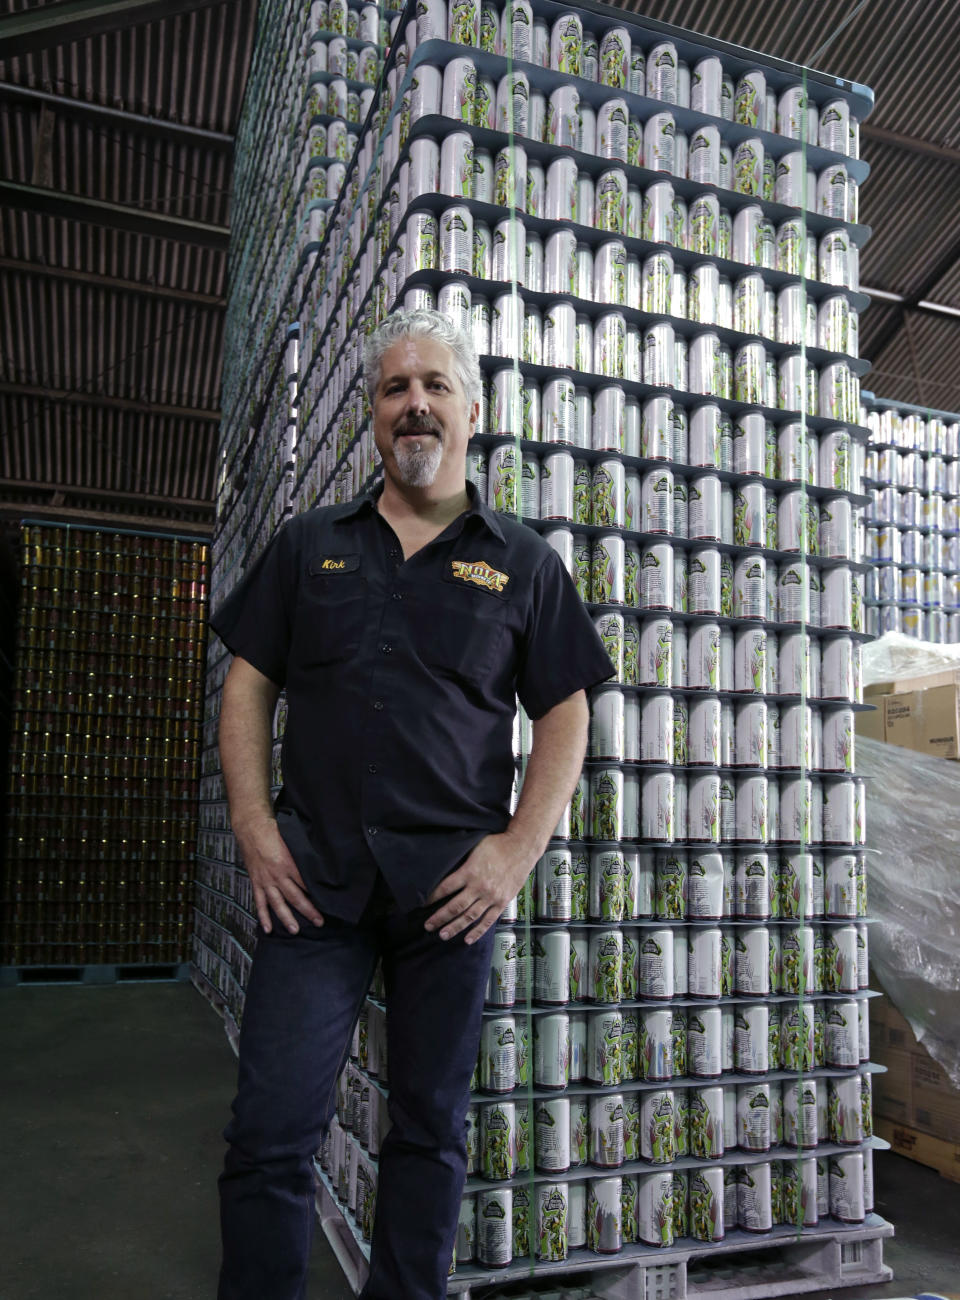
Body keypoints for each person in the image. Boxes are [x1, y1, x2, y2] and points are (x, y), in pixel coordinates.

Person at [211, 308, 614, 1299]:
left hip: (450, 894)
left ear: (472, 413)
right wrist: (258, 831)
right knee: (271, 1130)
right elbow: (248, 683)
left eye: (434, 386)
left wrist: (518, 849)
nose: (415, 404)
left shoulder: (521, 561)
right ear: (375, 415)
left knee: (429, 1131)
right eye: (395, 388)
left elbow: (566, 708)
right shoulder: (313, 546)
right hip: (316, 885)